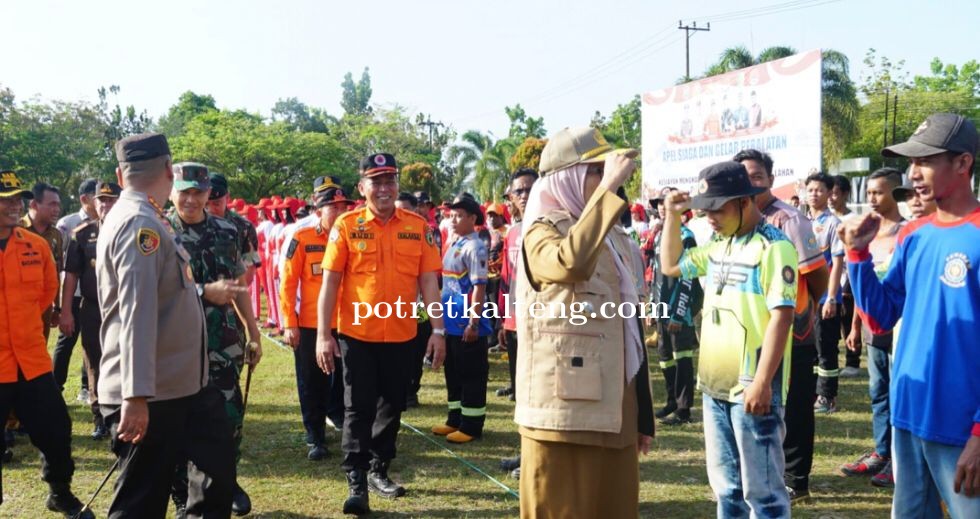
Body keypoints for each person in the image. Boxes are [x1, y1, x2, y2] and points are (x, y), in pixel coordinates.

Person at [841, 113, 980, 518]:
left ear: (962, 163)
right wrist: (858, 256)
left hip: (961, 426)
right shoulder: (913, 235)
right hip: (908, 417)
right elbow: (881, 320)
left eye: (925, 161)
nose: (913, 174)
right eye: (910, 163)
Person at [515, 128, 654, 519]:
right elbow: (570, 263)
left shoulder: (614, 238)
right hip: (560, 413)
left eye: (606, 171)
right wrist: (610, 187)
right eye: (596, 171)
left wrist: (641, 415)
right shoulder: (541, 231)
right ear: (568, 178)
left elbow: (630, 330)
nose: (608, 178)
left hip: (614, 408)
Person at [98, 133, 235, 517]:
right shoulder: (138, 224)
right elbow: (135, 311)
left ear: (120, 174)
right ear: (166, 168)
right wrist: (135, 395)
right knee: (141, 501)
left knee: (216, 469)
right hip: (151, 391)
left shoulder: (148, 215)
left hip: (182, 383)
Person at [661, 161, 797, 518]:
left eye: (718, 208)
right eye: (705, 210)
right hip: (714, 388)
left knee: (764, 494)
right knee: (727, 491)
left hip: (752, 390)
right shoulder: (719, 245)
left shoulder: (774, 248)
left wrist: (763, 382)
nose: (710, 217)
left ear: (745, 202)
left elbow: (782, 316)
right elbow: (671, 265)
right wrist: (672, 217)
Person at [316, 153, 446, 516]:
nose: (385, 188)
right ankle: (356, 480)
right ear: (362, 187)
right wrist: (323, 335)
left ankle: (379, 468)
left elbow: (428, 282)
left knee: (392, 405)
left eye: (390, 181)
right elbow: (330, 284)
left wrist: (438, 330)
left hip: (403, 333)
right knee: (357, 408)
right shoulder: (346, 225)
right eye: (377, 181)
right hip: (357, 335)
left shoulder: (418, 226)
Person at [167, 161, 263, 516]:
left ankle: (225, 482)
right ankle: (182, 496)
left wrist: (253, 333)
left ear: (209, 194)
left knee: (227, 422)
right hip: (176, 347)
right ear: (173, 191)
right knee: (178, 427)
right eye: (184, 192)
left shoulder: (227, 231)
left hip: (223, 345)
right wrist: (206, 291)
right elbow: (157, 291)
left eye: (198, 192)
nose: (191, 200)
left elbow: (238, 288)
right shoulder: (160, 232)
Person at [734, 148, 829, 503]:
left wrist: (802, 318)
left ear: (771, 180)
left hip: (795, 334)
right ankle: (768, 476)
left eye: (757, 176)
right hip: (754, 336)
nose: (751, 182)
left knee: (797, 407)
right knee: (766, 407)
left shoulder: (788, 219)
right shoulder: (739, 222)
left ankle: (796, 479)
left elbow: (817, 277)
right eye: (744, 176)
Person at [0, 169, 93, 518]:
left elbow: (45, 293)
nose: (13, 206)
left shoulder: (36, 245)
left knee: (56, 428)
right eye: (4, 200)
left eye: (16, 199)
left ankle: (60, 492)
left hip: (31, 360)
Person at [839, 167, 905, 488]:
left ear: (897, 192)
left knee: (899, 394)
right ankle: (882, 452)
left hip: (899, 329)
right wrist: (854, 326)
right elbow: (861, 287)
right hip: (871, 330)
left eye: (879, 192)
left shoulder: (907, 232)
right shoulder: (868, 232)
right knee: (878, 393)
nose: (873, 199)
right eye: (869, 194)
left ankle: (898, 458)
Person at [281, 183, 352, 460]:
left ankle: (345, 423)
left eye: (342, 206)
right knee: (312, 381)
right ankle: (315, 435)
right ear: (318, 209)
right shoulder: (302, 237)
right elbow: (287, 284)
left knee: (347, 378)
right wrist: (290, 322)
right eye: (332, 207)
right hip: (311, 323)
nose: (338, 212)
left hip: (346, 322)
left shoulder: (351, 237)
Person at [60, 181, 122, 441]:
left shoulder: (133, 232)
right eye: (101, 200)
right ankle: (101, 417)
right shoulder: (82, 234)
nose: (106, 205)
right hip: (93, 308)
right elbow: (71, 275)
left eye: (111, 199)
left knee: (125, 360)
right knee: (94, 363)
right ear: (93, 203)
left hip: (124, 310)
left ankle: (122, 414)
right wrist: (65, 311)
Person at [431, 193, 493, 444]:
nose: (453, 219)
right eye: (451, 215)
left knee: (472, 375)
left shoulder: (475, 246)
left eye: (459, 215)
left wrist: (473, 323)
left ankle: (471, 425)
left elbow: (479, 287)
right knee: (454, 373)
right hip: (451, 323)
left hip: (468, 324)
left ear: (472, 218)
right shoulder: (456, 243)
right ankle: (454, 419)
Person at [496, 168, 539, 478]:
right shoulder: (511, 232)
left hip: (539, 323)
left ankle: (536, 459)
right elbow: (507, 280)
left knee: (538, 394)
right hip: (513, 323)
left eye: (529, 189)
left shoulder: (550, 226)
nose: (523, 195)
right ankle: (525, 451)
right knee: (521, 393)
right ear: (510, 198)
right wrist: (502, 319)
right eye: (518, 191)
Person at [651, 186, 702, 426]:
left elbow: (687, 277)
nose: (662, 206)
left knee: (682, 358)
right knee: (664, 358)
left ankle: (684, 409)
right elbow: (656, 276)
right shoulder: (660, 235)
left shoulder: (686, 236)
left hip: (678, 313)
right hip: (661, 309)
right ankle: (672, 401)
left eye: (665, 202)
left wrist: (679, 315)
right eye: (659, 202)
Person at [53, 178, 98, 399]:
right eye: (96, 196)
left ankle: (85, 387)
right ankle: (55, 387)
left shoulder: (109, 221)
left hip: (95, 296)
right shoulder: (67, 223)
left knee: (91, 344)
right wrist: (63, 306)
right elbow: (60, 260)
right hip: (73, 294)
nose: (101, 201)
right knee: (66, 341)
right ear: (84, 199)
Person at [805, 172, 845, 414]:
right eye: (810, 189)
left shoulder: (833, 224)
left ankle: (828, 397)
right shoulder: (801, 221)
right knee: (809, 347)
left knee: (826, 346)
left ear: (830, 193)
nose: (814, 194)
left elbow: (838, 263)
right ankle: (812, 391)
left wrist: (831, 297)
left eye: (819, 190)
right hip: (804, 299)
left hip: (825, 297)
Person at [21, 182, 63, 340]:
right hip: (18, 306)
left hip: (44, 308)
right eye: (52, 204)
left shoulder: (56, 235)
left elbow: (57, 273)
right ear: (33, 204)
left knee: (39, 352)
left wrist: (56, 308)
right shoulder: (16, 230)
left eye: (58, 204)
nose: (57, 209)